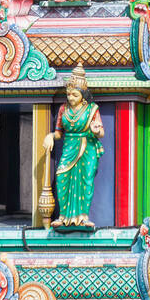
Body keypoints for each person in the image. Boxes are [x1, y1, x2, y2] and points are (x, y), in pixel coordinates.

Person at [43, 63, 104, 228]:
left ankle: (83, 216)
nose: (70, 98)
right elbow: (58, 132)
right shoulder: (63, 109)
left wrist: (96, 130)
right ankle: (63, 216)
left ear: (83, 96)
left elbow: (101, 131)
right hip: (69, 146)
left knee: (86, 181)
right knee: (62, 177)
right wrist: (50, 136)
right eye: (68, 94)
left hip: (87, 147)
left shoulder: (92, 109)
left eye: (74, 95)